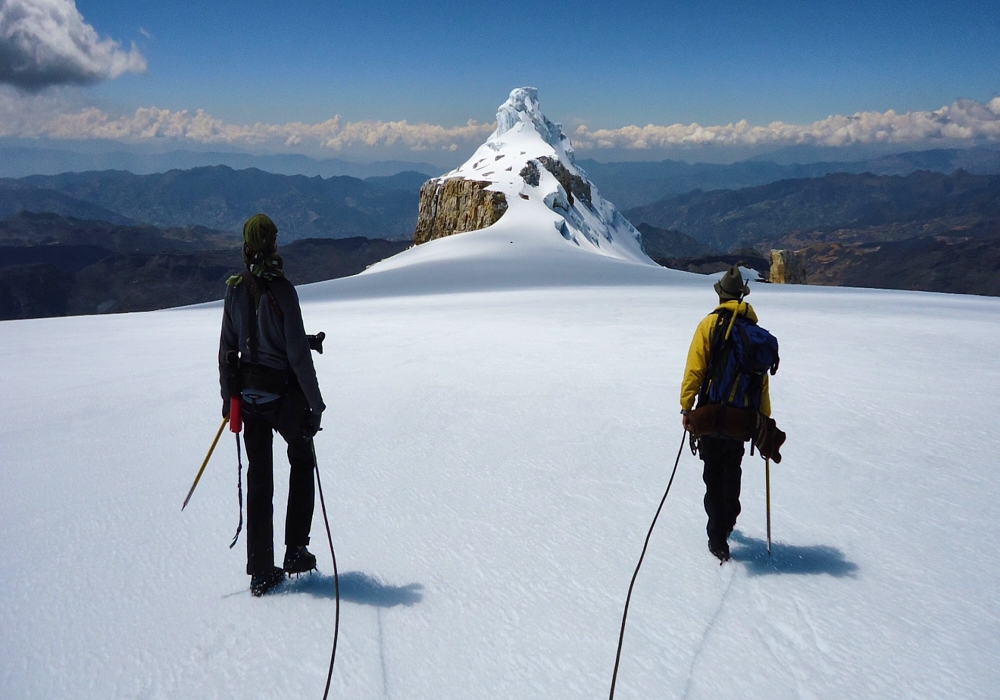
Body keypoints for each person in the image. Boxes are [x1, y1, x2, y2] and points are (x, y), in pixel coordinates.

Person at [219, 214, 325, 596]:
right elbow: (297, 355)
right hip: (281, 397)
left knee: (259, 479)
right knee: (301, 456)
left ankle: (261, 570)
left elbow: (226, 350)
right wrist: (315, 406)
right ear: (275, 246)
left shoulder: (234, 291)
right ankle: (295, 550)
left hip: (247, 400)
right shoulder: (283, 292)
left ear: (246, 248)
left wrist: (227, 400)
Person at [679, 265, 771, 563]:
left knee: (712, 476)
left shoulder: (709, 325)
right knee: (732, 470)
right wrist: (763, 420)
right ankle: (728, 521)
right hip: (741, 420)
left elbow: (696, 368)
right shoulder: (755, 334)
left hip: (711, 413)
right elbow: (761, 383)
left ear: (721, 295)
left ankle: (717, 537)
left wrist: (686, 405)